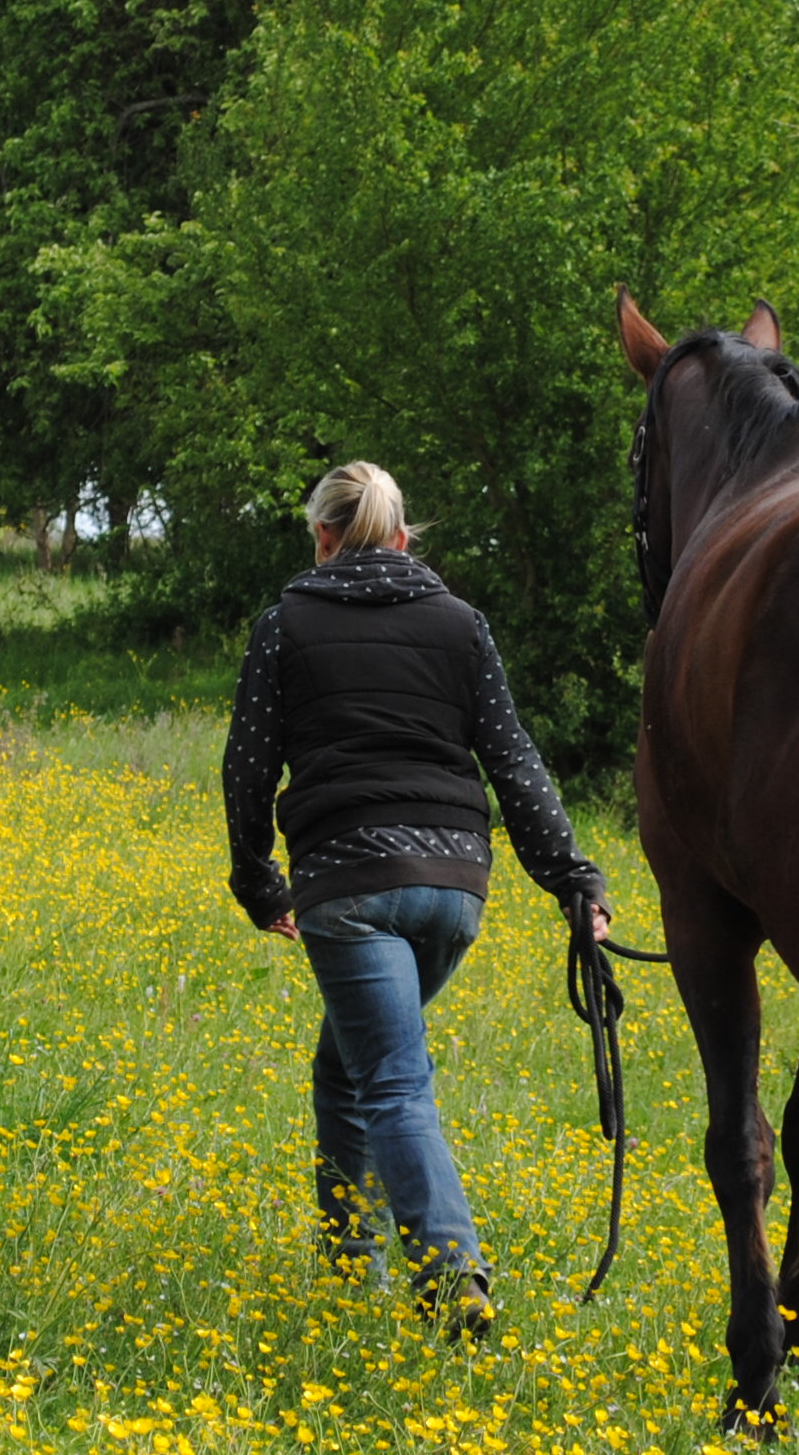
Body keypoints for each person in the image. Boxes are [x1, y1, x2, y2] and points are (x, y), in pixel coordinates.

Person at [222, 461, 611, 1337]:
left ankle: (449, 1273)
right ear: (402, 539)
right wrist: (572, 878)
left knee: (393, 1082)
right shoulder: (462, 624)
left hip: (349, 886)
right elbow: (513, 760)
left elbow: (247, 766)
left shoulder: (285, 624)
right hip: (453, 890)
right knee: (348, 1066)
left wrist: (258, 884)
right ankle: (347, 1263)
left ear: (322, 537)